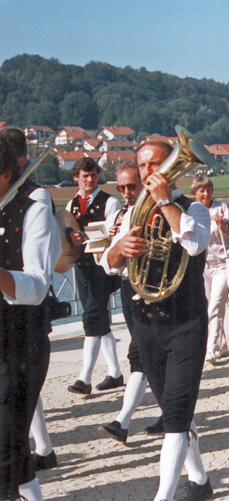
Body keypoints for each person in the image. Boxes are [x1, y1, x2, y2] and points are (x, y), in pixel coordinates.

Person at [103, 140, 214, 500]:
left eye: (155, 165)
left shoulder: (194, 207)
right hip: (146, 323)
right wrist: (120, 250)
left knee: (176, 417)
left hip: (186, 324)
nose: (149, 172)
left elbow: (195, 244)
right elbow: (109, 262)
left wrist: (166, 202)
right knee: (173, 409)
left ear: (171, 167)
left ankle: (162, 496)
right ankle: (198, 480)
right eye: (143, 165)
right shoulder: (134, 211)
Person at [0, 142, 61, 501]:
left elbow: (37, 285)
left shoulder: (34, 207)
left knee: (6, 449)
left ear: (6, 175)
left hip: (19, 344)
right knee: (14, 454)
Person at [98, 162, 153, 445]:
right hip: (128, 284)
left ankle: (123, 420)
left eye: (132, 185)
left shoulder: (153, 210)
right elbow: (107, 263)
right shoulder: (119, 215)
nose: (127, 192)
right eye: (121, 187)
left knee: (140, 353)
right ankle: (173, 415)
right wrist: (113, 248)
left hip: (152, 286)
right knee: (147, 353)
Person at [65, 157, 123, 396]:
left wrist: (84, 238)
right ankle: (115, 373)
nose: (90, 180)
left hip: (103, 267)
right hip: (81, 266)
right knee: (99, 320)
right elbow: (65, 230)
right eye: (85, 176)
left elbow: (113, 235)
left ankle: (84, 378)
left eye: (93, 175)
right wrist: (71, 235)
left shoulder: (110, 202)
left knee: (90, 317)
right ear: (76, 177)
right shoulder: (71, 204)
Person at [191, 176, 229, 364]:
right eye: (201, 190)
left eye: (208, 189)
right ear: (194, 194)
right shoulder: (191, 211)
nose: (206, 193)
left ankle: (211, 349)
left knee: (215, 306)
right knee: (208, 306)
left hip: (221, 264)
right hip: (201, 266)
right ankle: (222, 343)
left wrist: (223, 225)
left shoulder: (222, 208)